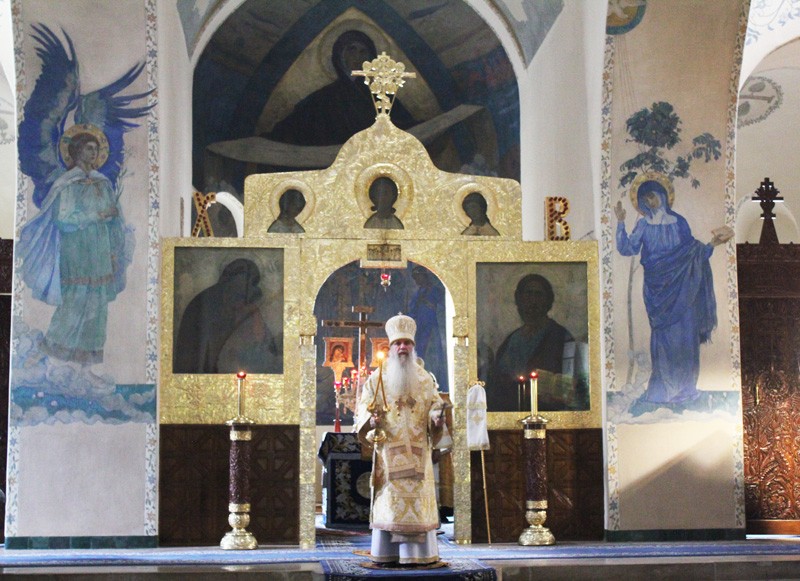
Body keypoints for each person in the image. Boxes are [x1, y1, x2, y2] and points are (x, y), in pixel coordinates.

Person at [614, 178, 731, 408]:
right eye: (646, 198)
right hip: (658, 292)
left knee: (686, 337)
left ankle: (686, 390)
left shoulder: (679, 222)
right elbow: (627, 248)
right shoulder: (643, 225)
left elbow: (692, 253)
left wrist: (712, 244)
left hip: (683, 289)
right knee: (664, 340)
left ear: (663, 195)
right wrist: (620, 223)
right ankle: (662, 391)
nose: (651, 200)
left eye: (653, 195)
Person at [17, 130, 130, 366]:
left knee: (97, 303)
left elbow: (113, 219)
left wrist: (113, 247)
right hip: (77, 250)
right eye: (89, 148)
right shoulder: (67, 184)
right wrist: (97, 215)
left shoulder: (103, 183)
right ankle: (50, 351)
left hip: (100, 250)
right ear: (76, 152)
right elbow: (64, 220)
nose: (94, 152)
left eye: (96, 148)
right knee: (74, 300)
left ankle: (85, 364)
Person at [356, 314, 446, 567]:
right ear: (391, 347)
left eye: (407, 343)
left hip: (418, 452)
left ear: (413, 346)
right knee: (391, 505)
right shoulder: (378, 378)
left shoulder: (424, 378)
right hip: (389, 452)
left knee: (417, 505)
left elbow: (435, 405)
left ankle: (419, 556)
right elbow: (364, 407)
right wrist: (371, 421)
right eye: (398, 343)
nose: (402, 347)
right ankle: (387, 553)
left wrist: (436, 417)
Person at [269, 30, 415, 146]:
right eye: (352, 50)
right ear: (340, 55)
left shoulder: (381, 96)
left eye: (363, 52)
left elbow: (405, 126)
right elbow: (295, 126)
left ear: (370, 59)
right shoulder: (323, 98)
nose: (357, 57)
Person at [487, 274, 589, 412]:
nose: (532, 301)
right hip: (511, 411)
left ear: (548, 301)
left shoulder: (560, 336)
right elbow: (497, 382)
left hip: (549, 412)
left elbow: (575, 383)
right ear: (519, 300)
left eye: (538, 295)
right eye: (528, 294)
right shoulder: (511, 340)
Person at [174, 258, 280, 374]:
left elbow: (265, 346)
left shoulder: (248, 309)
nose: (243, 295)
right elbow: (200, 353)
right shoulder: (203, 304)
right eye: (240, 285)